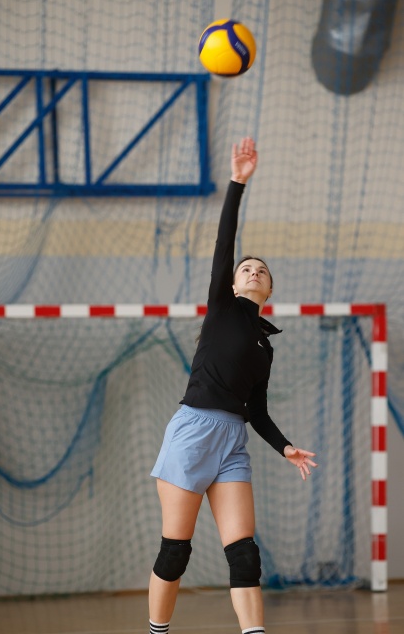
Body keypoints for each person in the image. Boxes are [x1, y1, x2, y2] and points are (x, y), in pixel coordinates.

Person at [148, 137, 317, 634]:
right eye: (247, 268)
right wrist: (238, 183)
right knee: (175, 551)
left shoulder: (266, 345)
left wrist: (285, 447)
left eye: (262, 271)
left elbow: (256, 410)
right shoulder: (221, 308)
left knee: (244, 554)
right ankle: (157, 630)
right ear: (234, 283)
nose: (253, 271)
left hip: (233, 442)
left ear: (270, 289)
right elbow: (226, 241)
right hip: (193, 432)